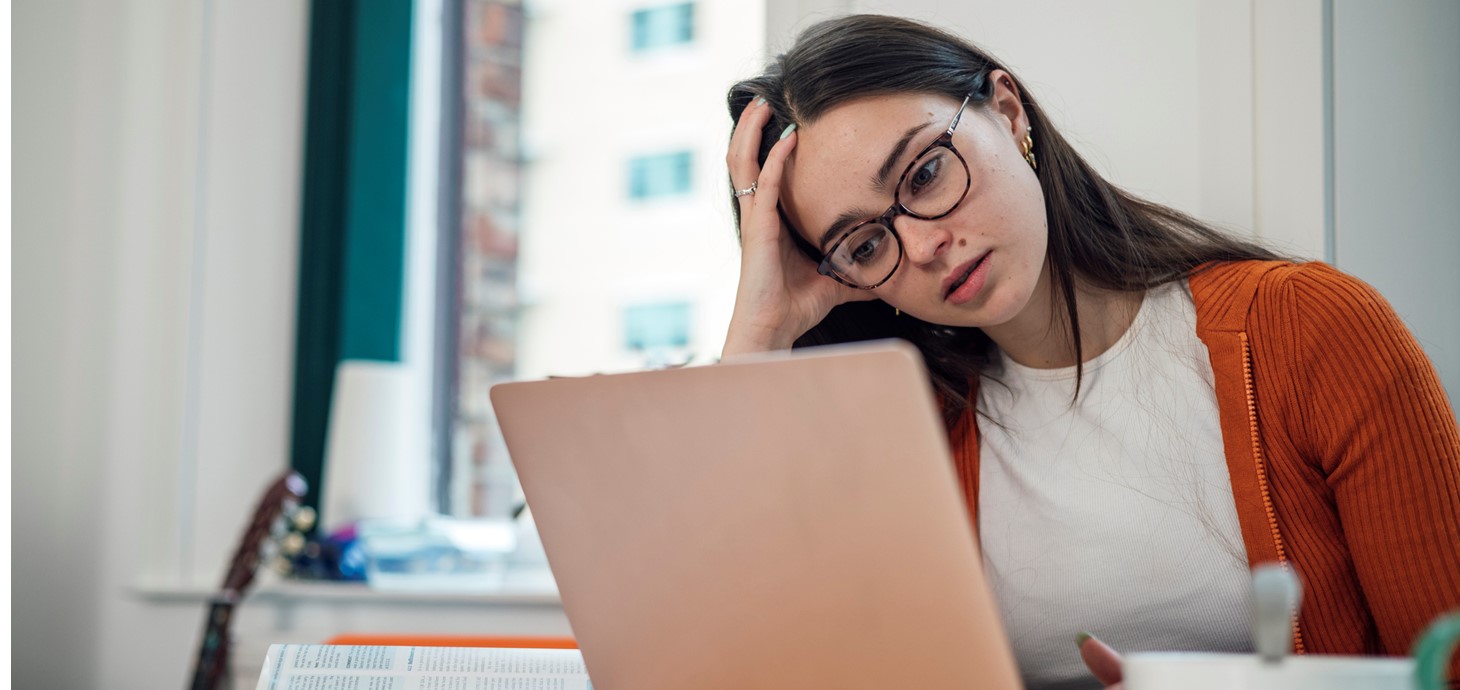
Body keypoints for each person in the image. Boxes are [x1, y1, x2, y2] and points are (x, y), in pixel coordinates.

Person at [720, 14, 1460, 690]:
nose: (923, 245)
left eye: (925, 173)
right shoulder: (910, 442)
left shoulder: (1307, 331)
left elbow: (1444, 664)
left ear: (1007, 115)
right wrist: (758, 335)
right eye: (867, 244)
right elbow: (716, 654)